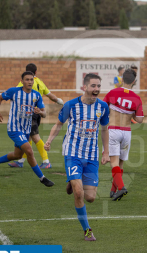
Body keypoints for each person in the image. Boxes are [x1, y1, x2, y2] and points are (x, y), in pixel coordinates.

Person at [44, 73, 110, 241]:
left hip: (92, 155)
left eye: (98, 86)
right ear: (84, 87)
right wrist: (49, 141)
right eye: (93, 86)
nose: (96, 89)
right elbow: (58, 124)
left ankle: (72, 181)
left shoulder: (102, 107)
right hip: (72, 153)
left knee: (91, 198)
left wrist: (106, 152)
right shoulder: (70, 105)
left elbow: (104, 129)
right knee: (79, 193)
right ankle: (87, 230)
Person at [0, 63, 63, 169]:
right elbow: (51, 96)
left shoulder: (24, 82)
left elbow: (12, 92)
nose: (29, 81)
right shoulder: (40, 82)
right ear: (36, 72)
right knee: (28, 138)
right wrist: (60, 101)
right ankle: (21, 161)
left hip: (27, 113)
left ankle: (46, 161)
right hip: (37, 113)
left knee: (35, 137)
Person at [0, 71, 54, 188]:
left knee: (18, 155)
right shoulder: (14, 91)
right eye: (27, 80)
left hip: (26, 130)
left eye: (31, 80)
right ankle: (42, 178)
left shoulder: (36, 95)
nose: (30, 82)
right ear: (22, 81)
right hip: (14, 128)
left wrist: (40, 112)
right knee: (29, 151)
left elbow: (44, 113)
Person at [103, 69, 144, 201]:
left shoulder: (113, 92)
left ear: (121, 79)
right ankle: (113, 191)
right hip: (126, 132)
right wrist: (131, 113)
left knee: (113, 163)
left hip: (113, 130)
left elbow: (103, 108)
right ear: (134, 81)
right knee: (120, 164)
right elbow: (139, 120)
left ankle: (121, 188)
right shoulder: (137, 98)